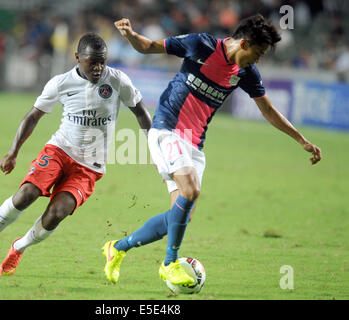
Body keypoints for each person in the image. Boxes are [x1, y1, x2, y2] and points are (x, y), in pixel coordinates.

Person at [102, 14, 322, 286]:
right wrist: (130, 36)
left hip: (195, 144)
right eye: (258, 53)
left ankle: (118, 248)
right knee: (191, 191)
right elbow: (149, 47)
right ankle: (169, 264)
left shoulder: (246, 72)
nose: (259, 60)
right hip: (168, 129)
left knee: (180, 216)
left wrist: (300, 139)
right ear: (244, 43)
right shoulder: (200, 45)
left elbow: (267, 109)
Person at [0, 33, 152, 276]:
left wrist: (156, 146)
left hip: (90, 165)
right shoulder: (61, 82)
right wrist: (12, 152)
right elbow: (33, 116)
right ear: (78, 58)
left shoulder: (118, 80)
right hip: (60, 149)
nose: (99, 67)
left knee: (57, 213)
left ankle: (18, 247)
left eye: (103, 61)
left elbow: (141, 112)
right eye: (93, 62)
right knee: (26, 194)